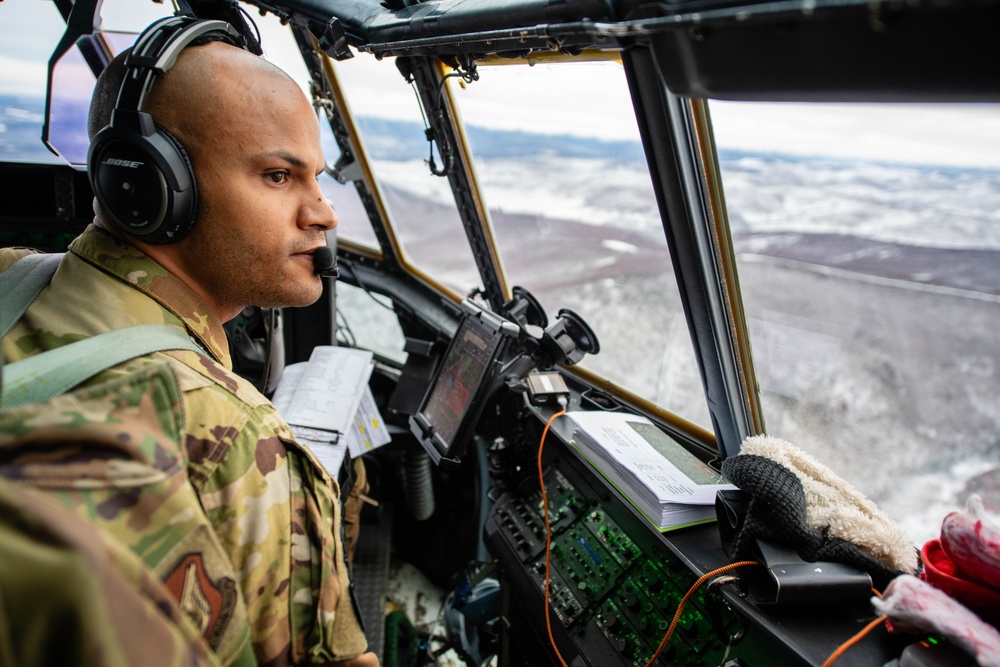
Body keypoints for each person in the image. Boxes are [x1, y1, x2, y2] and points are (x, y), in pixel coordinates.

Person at [0, 21, 378, 667]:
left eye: (315, 177)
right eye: (279, 176)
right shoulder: (232, 434)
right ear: (146, 184)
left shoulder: (9, 275)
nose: (324, 213)